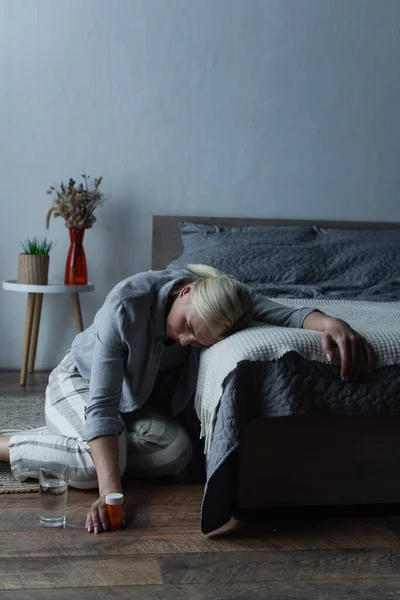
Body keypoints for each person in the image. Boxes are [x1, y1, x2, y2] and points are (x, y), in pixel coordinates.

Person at [0, 264, 373, 534]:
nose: (184, 341)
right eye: (188, 327)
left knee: (176, 450)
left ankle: (74, 441)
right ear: (187, 291)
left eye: (198, 341)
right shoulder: (126, 304)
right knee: (89, 466)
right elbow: (102, 404)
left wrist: (330, 323)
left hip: (133, 404)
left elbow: (282, 312)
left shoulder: (223, 297)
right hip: (81, 381)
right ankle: (6, 445)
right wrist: (111, 493)